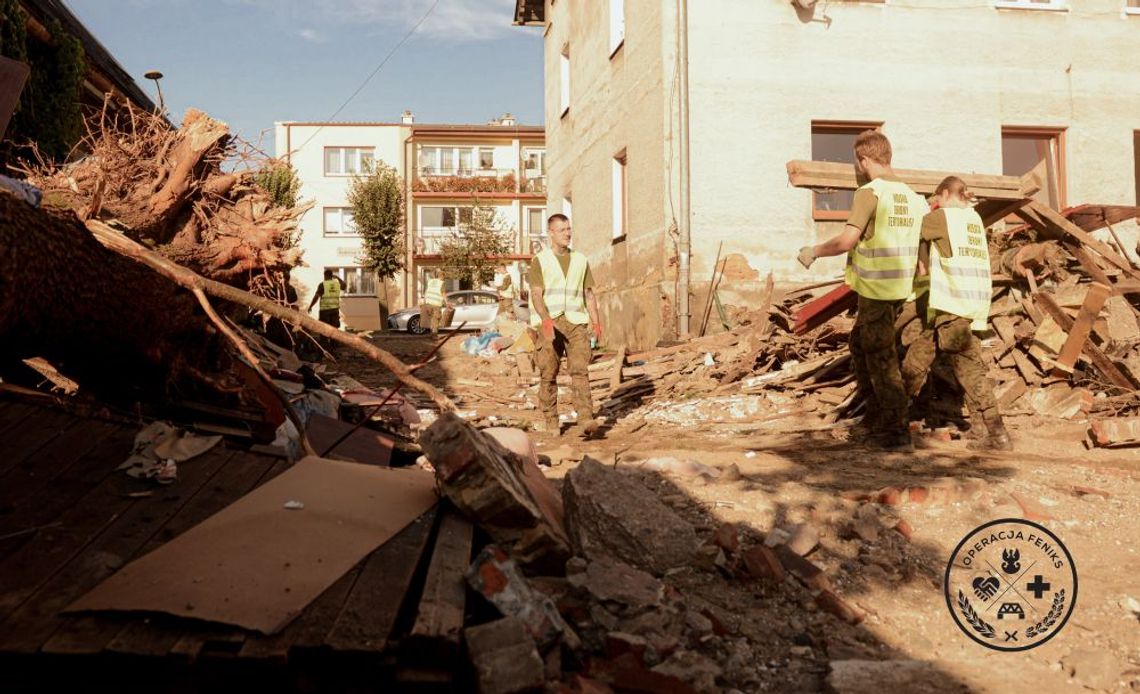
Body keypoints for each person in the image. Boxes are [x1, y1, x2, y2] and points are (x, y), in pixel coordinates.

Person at [797, 130, 928, 450]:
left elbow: (846, 241)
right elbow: (923, 252)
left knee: (881, 359)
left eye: (858, 163)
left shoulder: (871, 193)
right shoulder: (914, 198)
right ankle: (875, 417)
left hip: (876, 288)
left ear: (865, 160)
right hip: (899, 288)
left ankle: (894, 430)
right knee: (860, 345)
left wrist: (814, 250)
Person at [901, 176, 1012, 451]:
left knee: (969, 371)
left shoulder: (944, 218)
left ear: (947, 193)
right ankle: (895, 416)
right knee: (918, 358)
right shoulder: (973, 220)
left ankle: (997, 433)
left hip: (954, 305)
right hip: (969, 305)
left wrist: (921, 206)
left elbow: (909, 231)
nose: (935, 203)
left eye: (937, 197)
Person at [528, 213, 603, 437]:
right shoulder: (540, 260)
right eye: (562, 230)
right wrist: (545, 319)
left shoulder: (580, 260)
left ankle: (585, 419)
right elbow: (536, 293)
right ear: (551, 233)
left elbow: (588, 294)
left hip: (575, 322)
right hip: (550, 322)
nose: (567, 234)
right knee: (548, 372)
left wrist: (596, 322)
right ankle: (552, 421)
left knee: (580, 371)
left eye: (569, 229)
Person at [421, 271, 447, 335]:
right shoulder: (441, 283)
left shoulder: (430, 281)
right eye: (444, 277)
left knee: (431, 319)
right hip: (436, 304)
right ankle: (434, 334)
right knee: (436, 319)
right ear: (442, 276)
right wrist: (447, 302)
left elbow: (426, 292)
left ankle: (431, 332)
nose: (444, 279)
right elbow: (443, 293)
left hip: (428, 303)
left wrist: (424, 302)